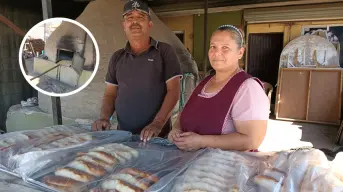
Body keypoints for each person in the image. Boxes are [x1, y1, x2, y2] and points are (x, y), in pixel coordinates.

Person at [168, 25, 269, 152]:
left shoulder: (247, 87)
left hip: (225, 166)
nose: (216, 53)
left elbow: (252, 141)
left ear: (240, 52)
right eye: (213, 47)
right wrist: (177, 129)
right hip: (192, 163)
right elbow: (184, 112)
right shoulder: (204, 82)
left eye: (225, 48)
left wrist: (201, 141)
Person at [92, 0, 182, 142]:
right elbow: (110, 93)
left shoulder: (164, 51)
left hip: (156, 136)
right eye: (129, 18)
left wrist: (158, 123)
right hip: (123, 136)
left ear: (150, 24)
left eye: (141, 17)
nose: (135, 22)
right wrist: (104, 118)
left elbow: (174, 91)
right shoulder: (117, 57)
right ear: (124, 25)